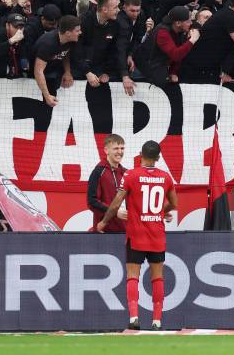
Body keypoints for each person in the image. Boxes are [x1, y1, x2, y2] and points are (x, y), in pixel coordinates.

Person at [97, 140, 178, 331]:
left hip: (136, 235)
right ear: (158, 158)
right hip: (157, 235)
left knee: (133, 276)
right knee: (157, 277)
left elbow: (117, 203)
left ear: (140, 155)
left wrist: (104, 222)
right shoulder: (166, 177)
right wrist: (160, 211)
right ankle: (157, 321)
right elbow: (174, 204)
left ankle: (134, 318)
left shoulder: (131, 175)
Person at [134, 5, 199, 87]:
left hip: (156, 68)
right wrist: (192, 40)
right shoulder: (162, 33)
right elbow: (176, 55)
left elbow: (179, 52)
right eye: (188, 21)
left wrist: (173, 72)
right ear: (178, 23)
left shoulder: (179, 31)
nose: (191, 23)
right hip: (141, 70)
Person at [32, 14, 89, 107]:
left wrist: (67, 71)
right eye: (77, 31)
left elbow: (66, 53)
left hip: (53, 66)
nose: (80, 32)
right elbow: (38, 71)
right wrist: (47, 96)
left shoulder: (70, 40)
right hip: (36, 73)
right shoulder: (48, 44)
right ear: (67, 33)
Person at [87, 134, 128, 233]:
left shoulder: (127, 173)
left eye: (122, 148)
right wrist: (115, 212)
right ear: (106, 150)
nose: (120, 152)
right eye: (116, 148)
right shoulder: (98, 171)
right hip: (104, 230)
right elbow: (92, 201)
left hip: (126, 229)